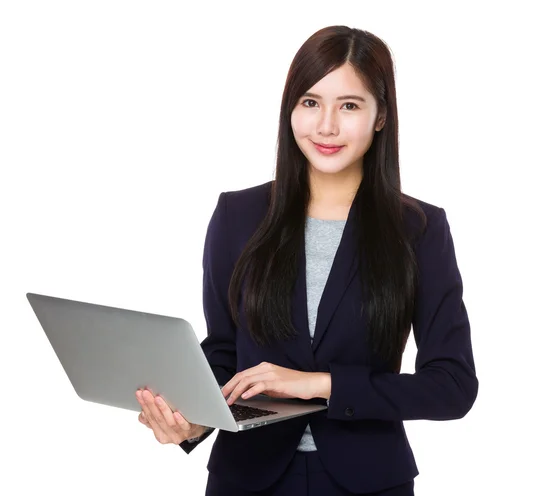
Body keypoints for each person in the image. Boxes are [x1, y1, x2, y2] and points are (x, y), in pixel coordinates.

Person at [134, 25, 478, 495]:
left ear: (381, 117)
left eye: (349, 106)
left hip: (369, 482)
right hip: (246, 479)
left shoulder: (418, 229)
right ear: (290, 110)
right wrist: (191, 424)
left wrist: (320, 384)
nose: (326, 126)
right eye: (310, 102)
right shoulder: (238, 215)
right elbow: (224, 357)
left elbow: (452, 385)